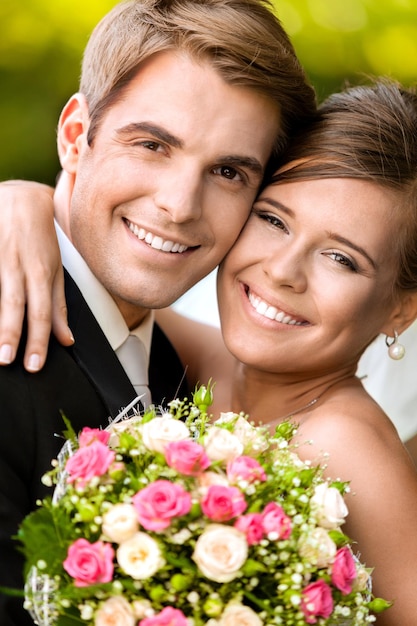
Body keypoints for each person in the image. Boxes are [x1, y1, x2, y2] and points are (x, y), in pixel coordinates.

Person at [0, 1, 317, 624]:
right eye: (152, 144)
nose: (178, 205)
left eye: (227, 171)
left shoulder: (169, 365)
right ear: (75, 136)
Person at [155, 78, 417, 625]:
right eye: (273, 219)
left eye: (342, 259)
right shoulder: (213, 366)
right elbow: (105, 296)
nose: (281, 270)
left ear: (401, 309)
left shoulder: (346, 449)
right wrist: (23, 204)